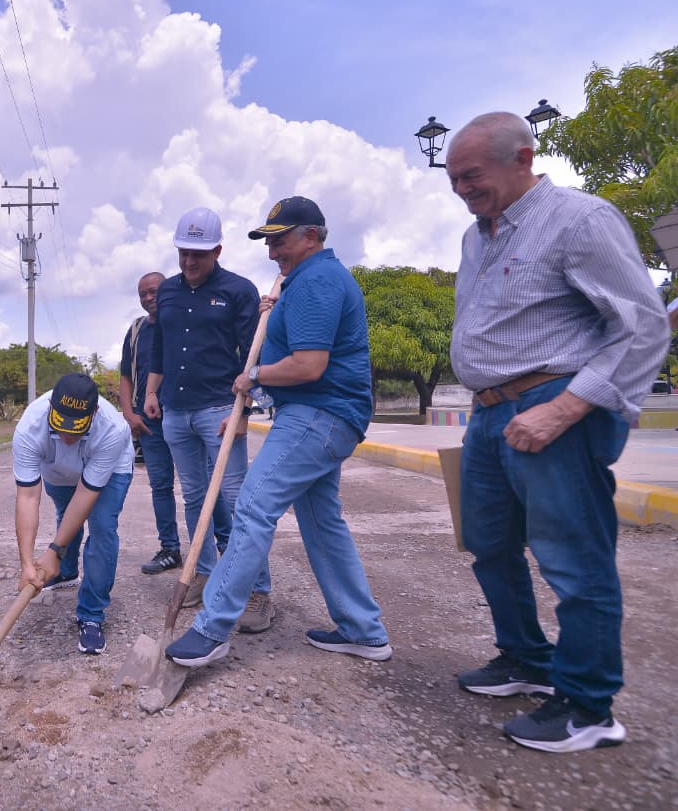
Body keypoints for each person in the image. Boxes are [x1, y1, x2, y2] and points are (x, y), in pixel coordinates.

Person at [444, 113, 668, 753]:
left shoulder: (580, 219)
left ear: (523, 157)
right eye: (454, 178)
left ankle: (588, 706)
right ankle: (526, 660)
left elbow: (643, 326)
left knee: (574, 560)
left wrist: (567, 408)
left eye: (472, 176)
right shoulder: (474, 236)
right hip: (490, 413)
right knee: (489, 544)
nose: (461, 188)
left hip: (556, 406)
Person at [165, 196, 392, 669]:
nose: (273, 253)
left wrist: (255, 378)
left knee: (251, 505)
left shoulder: (317, 281)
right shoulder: (304, 282)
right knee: (322, 524)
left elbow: (309, 366)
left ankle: (212, 627)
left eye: (281, 241)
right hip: (322, 415)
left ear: (311, 235)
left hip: (318, 413)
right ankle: (362, 630)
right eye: (269, 242)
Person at [143, 206, 274, 633]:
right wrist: (150, 392)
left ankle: (257, 591)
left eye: (198, 254)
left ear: (217, 250)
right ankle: (201, 573)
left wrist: (246, 411)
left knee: (236, 501)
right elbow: (159, 347)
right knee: (195, 498)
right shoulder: (169, 293)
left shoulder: (239, 291)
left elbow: (253, 355)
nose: (189, 262)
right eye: (183, 253)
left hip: (221, 409)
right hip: (176, 412)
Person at [14, 373, 134, 655]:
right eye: (61, 427)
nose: (68, 437)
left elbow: (86, 495)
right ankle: (66, 572)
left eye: (76, 429)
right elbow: (28, 497)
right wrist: (27, 564)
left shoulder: (112, 429)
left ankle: (91, 614)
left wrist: (53, 550)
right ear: (50, 409)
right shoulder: (29, 428)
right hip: (57, 469)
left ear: (93, 413)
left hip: (109, 466)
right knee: (65, 513)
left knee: (102, 527)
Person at [119, 272, 182, 575]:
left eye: (153, 291)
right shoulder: (136, 331)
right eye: (142, 293)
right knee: (160, 486)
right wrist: (130, 415)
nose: (147, 298)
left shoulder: (184, 321)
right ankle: (170, 548)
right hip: (150, 424)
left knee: (202, 487)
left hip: (185, 416)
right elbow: (126, 378)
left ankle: (219, 548)